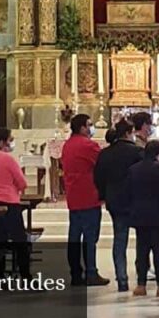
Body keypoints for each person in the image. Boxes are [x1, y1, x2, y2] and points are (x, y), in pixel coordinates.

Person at [94, 119, 143, 292]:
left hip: (114, 200)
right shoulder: (137, 152)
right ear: (129, 132)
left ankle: (122, 279)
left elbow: (98, 177)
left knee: (119, 240)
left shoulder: (105, 153)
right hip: (136, 200)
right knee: (142, 241)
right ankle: (141, 278)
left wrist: (103, 195)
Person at [61, 114, 109, 286]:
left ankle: (75, 273)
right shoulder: (87, 145)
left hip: (73, 196)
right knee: (90, 237)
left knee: (74, 236)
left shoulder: (67, 145)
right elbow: (103, 163)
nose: (91, 128)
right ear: (82, 127)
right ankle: (91, 272)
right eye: (89, 124)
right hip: (88, 195)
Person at [128, 140, 159, 297]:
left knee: (141, 250)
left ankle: (141, 285)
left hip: (140, 214)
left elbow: (127, 192)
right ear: (158, 153)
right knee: (158, 250)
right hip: (158, 215)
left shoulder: (133, 169)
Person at [0, 127, 32, 278]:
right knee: (20, 240)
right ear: (1, 142)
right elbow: (22, 182)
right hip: (9, 202)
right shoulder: (7, 159)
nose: (11, 143)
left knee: (0, 238)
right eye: (10, 140)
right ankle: (25, 275)